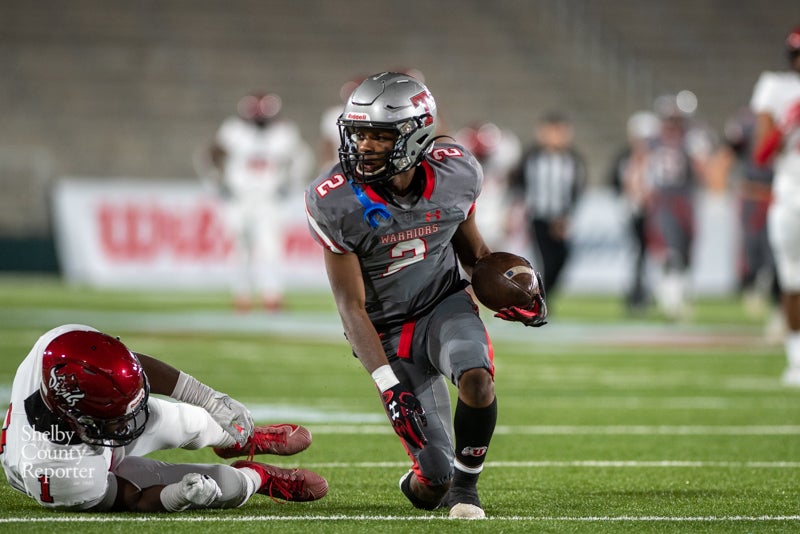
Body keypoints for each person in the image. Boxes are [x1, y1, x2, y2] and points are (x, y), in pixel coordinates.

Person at [304, 72, 547, 519]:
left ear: (415, 136)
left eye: (378, 136)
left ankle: (467, 491)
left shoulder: (455, 173)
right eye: (357, 134)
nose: (364, 147)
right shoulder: (336, 201)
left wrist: (512, 289)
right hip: (386, 331)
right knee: (431, 481)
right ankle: (436, 480)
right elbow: (349, 306)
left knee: (477, 377)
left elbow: (474, 254)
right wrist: (388, 387)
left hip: (442, 304)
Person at [1, 324, 327, 511]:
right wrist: (179, 497)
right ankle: (257, 476)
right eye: (117, 418)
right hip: (81, 465)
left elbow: (128, 365)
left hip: (89, 437)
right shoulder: (59, 475)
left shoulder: (62, 345)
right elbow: (130, 499)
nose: (129, 424)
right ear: (77, 418)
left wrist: (208, 399)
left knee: (193, 421)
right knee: (223, 486)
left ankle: (237, 439)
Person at [197, 92, 315, 312]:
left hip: (268, 200)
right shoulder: (234, 130)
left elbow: (302, 158)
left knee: (271, 248)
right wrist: (215, 183)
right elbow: (209, 155)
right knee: (240, 249)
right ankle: (242, 295)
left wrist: (291, 183)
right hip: (240, 198)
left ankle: (272, 294)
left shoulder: (284, 132)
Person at [751, 25, 800, 386]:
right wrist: (788, 123)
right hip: (791, 196)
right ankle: (797, 360)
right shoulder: (776, 88)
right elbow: (762, 154)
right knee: (793, 281)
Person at [509, 111, 588, 298]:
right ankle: (541, 298)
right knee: (545, 260)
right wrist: (513, 212)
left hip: (561, 218)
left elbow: (577, 189)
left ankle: (544, 295)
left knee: (562, 259)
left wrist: (568, 216)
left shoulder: (573, 159)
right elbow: (518, 185)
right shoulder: (532, 157)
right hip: (538, 216)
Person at [608, 110, 661, 313]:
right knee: (636, 255)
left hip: (654, 214)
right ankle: (635, 293)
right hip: (633, 213)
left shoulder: (657, 159)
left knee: (650, 255)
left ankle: (647, 293)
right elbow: (615, 183)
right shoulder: (625, 158)